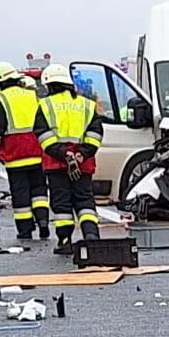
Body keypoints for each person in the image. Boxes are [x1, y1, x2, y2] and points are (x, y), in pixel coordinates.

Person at [32, 65, 103, 252]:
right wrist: (82, 153)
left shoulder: (45, 105)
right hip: (83, 163)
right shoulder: (87, 104)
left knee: (61, 202)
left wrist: (64, 154)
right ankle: (92, 236)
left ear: (50, 85)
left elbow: (43, 135)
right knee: (85, 200)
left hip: (57, 163)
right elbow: (95, 133)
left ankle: (65, 242)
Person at [0, 62, 50, 242]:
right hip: (37, 150)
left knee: (20, 193)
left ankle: (25, 230)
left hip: (16, 155)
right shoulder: (32, 95)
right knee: (39, 190)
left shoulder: (2, 98)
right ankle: (43, 221)